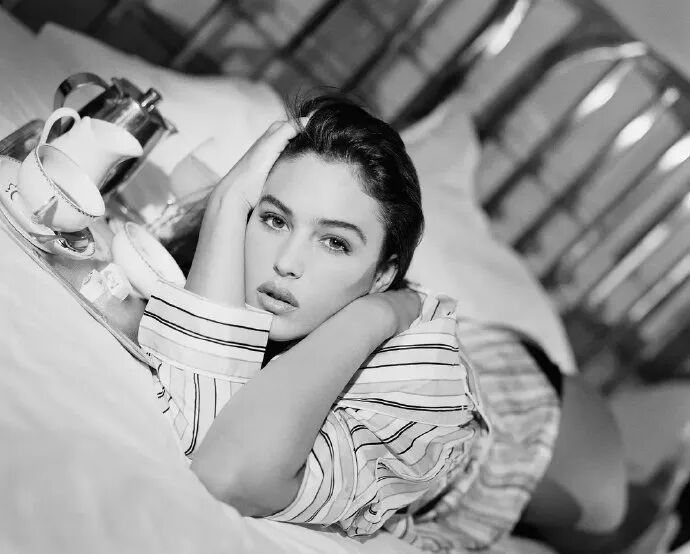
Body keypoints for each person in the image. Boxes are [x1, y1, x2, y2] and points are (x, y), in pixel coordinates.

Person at [138, 95, 493, 546]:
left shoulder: (417, 378)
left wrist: (369, 317)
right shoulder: (259, 257)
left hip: (502, 419)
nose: (286, 263)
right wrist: (228, 201)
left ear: (382, 275)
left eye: (335, 243)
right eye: (274, 220)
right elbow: (209, 420)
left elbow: (227, 471)